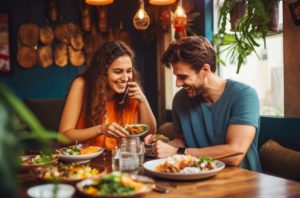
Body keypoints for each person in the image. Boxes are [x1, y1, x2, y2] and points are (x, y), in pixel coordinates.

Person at [146, 36, 261, 172]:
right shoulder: (180, 99)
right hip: (197, 177)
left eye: (183, 77)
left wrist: (178, 153)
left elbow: (235, 154)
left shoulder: (244, 95)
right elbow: (181, 142)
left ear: (205, 70)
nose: (178, 83)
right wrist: (160, 145)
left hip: (244, 181)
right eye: (176, 77)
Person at [59, 41, 157, 150]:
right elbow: (63, 137)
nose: (125, 78)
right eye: (118, 71)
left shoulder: (129, 91)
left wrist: (143, 101)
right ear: (103, 72)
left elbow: (149, 132)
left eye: (129, 71)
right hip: (86, 161)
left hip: (119, 160)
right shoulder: (81, 85)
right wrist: (101, 129)